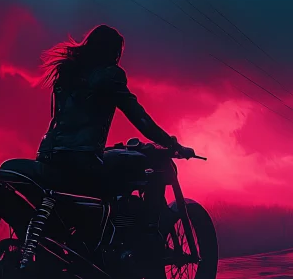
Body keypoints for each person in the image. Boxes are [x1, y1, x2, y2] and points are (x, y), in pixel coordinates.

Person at [36, 24, 194, 179]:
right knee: (137, 171)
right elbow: (138, 116)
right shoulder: (109, 75)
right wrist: (172, 144)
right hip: (81, 158)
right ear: (112, 51)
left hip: (48, 154)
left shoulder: (66, 73)